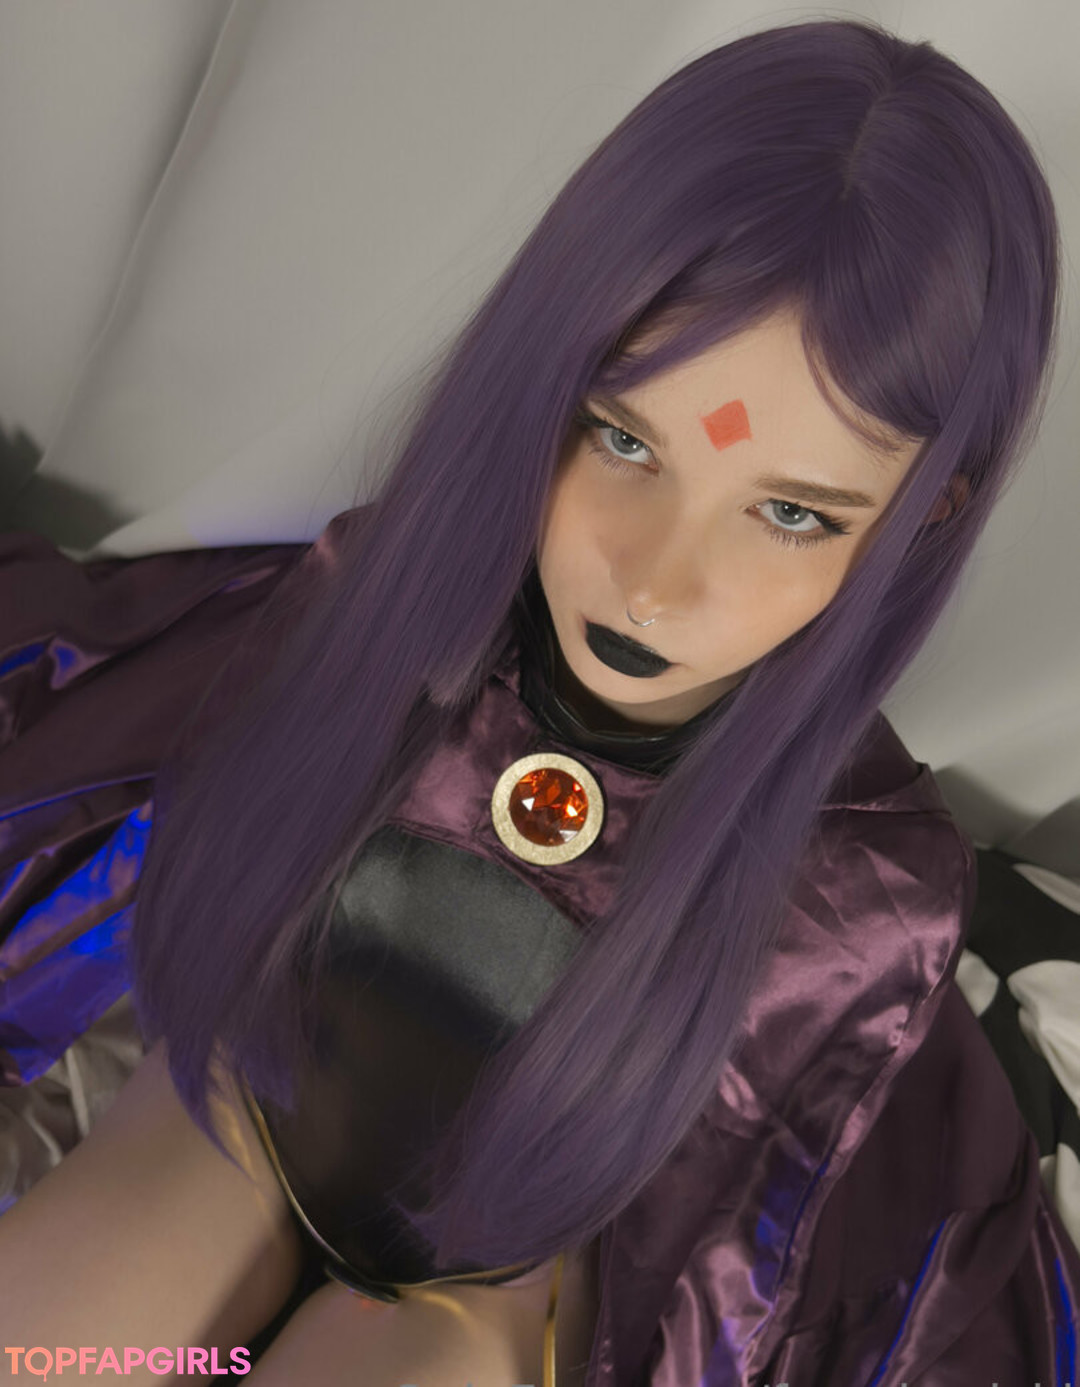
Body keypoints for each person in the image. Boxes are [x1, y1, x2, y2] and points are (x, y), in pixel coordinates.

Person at [0, 15, 1075, 1386]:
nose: (656, 582)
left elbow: (744, 1250)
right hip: (242, 1104)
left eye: (793, 513)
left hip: (509, 1278)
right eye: (622, 439)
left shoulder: (857, 894)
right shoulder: (376, 619)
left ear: (924, 521)